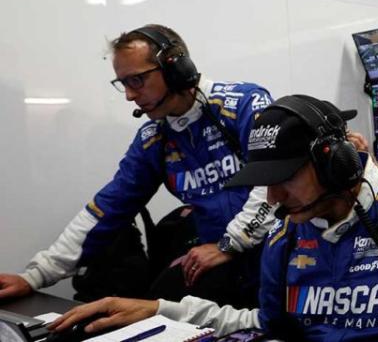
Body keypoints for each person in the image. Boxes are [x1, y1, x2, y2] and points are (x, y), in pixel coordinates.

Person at [49, 95, 378, 341]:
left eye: (286, 176)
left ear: (334, 162)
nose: (271, 195)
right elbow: (263, 323)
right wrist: (159, 308)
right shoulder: (281, 242)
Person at [0, 25, 275, 307]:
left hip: (280, 262)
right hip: (222, 266)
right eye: (123, 84)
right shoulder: (155, 138)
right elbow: (107, 208)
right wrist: (36, 275)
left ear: (176, 68)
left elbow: (274, 182)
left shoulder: (244, 104)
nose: (130, 96)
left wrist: (229, 244)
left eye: (137, 81)